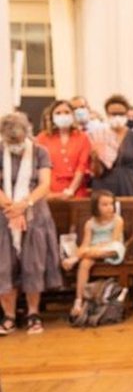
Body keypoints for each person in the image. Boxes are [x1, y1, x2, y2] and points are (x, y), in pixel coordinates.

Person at [0, 113, 62, 335]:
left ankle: (33, 313)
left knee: (33, 264)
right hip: (4, 216)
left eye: (18, 140)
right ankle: (8, 315)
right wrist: (11, 207)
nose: (15, 145)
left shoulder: (39, 151)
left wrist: (25, 204)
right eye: (11, 142)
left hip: (35, 215)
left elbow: (45, 184)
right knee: (3, 266)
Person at [63, 189, 125, 319]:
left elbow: (114, 240)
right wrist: (85, 250)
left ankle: (73, 259)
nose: (109, 208)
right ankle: (79, 300)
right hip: (92, 251)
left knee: (90, 252)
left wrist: (87, 251)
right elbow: (86, 244)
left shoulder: (117, 220)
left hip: (110, 249)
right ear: (96, 206)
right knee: (84, 262)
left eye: (111, 204)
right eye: (105, 205)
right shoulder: (90, 223)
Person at [89, 94, 133, 197]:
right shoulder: (99, 135)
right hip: (104, 188)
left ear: (126, 114)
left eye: (121, 113)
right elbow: (95, 171)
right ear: (107, 114)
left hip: (129, 187)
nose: (117, 116)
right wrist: (95, 159)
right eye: (113, 114)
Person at [35, 99, 92, 199]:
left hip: (76, 190)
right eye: (58, 113)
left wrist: (71, 190)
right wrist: (47, 192)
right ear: (52, 117)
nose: (63, 115)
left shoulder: (82, 137)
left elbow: (82, 166)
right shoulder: (42, 138)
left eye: (67, 112)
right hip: (49, 190)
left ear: (73, 115)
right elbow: (38, 166)